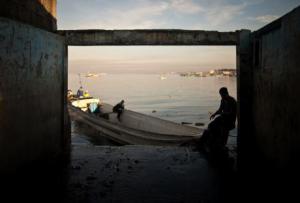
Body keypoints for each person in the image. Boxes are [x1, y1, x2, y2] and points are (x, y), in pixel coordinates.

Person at [201, 87, 237, 152]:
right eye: (220, 95)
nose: (221, 96)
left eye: (222, 94)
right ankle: (214, 141)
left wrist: (224, 113)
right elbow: (220, 110)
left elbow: (232, 113)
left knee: (224, 129)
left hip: (230, 120)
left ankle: (222, 145)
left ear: (226, 93)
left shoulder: (232, 101)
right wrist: (214, 114)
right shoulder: (222, 100)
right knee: (211, 125)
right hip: (223, 118)